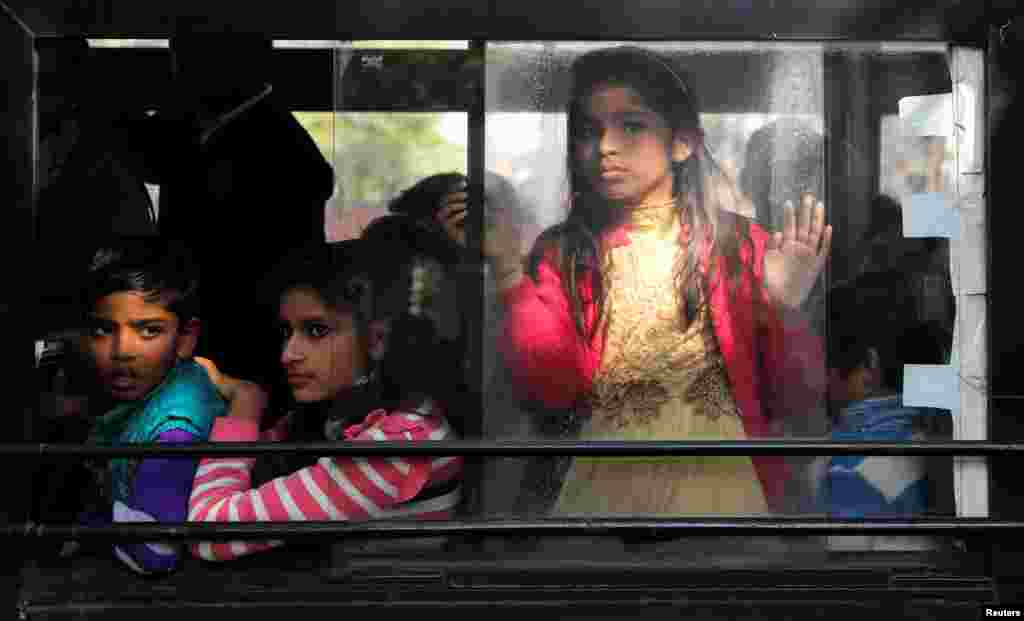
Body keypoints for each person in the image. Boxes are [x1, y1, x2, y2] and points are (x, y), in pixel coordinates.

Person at [487, 46, 831, 515]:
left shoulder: (741, 244)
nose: (605, 146)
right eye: (590, 130)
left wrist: (784, 307)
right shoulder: (564, 251)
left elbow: (794, 397)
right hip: (603, 488)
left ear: (682, 142)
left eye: (631, 125)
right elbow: (552, 389)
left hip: (724, 487)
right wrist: (510, 277)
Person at [188, 240, 463, 562]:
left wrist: (244, 408)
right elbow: (242, 473)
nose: (288, 355)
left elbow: (207, 534)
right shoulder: (339, 413)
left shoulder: (400, 442)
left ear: (377, 339)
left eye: (316, 331)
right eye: (287, 332)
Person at [68, 237, 226, 574]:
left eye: (149, 331)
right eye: (102, 330)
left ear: (185, 338)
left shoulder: (175, 434)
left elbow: (155, 550)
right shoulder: (156, 385)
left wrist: (84, 525)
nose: (122, 350)